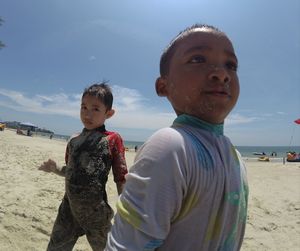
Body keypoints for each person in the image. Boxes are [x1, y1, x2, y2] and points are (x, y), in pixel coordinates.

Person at [105, 24, 249, 251]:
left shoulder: (236, 156)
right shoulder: (171, 146)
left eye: (230, 65)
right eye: (198, 59)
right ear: (163, 86)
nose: (221, 73)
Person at [39, 82, 128, 251]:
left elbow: (121, 176)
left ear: (109, 113)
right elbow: (72, 171)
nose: (87, 114)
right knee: (56, 247)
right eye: (83, 107)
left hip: (96, 213)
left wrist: (125, 208)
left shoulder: (112, 140)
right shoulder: (74, 140)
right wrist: (55, 168)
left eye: (95, 109)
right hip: (68, 210)